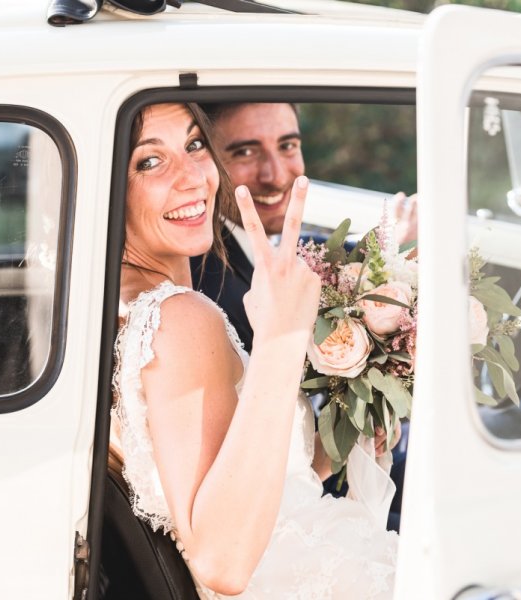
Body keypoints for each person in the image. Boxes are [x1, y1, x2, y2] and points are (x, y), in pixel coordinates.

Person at [109, 102, 398, 599]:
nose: (195, 177)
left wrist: (350, 425)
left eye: (195, 145)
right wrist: (282, 335)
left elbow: (249, 485)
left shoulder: (125, 306)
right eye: (150, 161)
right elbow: (222, 561)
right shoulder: (179, 319)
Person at [192, 102, 412, 529]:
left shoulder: (287, 244)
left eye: (287, 145)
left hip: (338, 456)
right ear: (211, 164)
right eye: (245, 152)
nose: (275, 175)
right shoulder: (205, 278)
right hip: (288, 501)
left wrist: (394, 260)